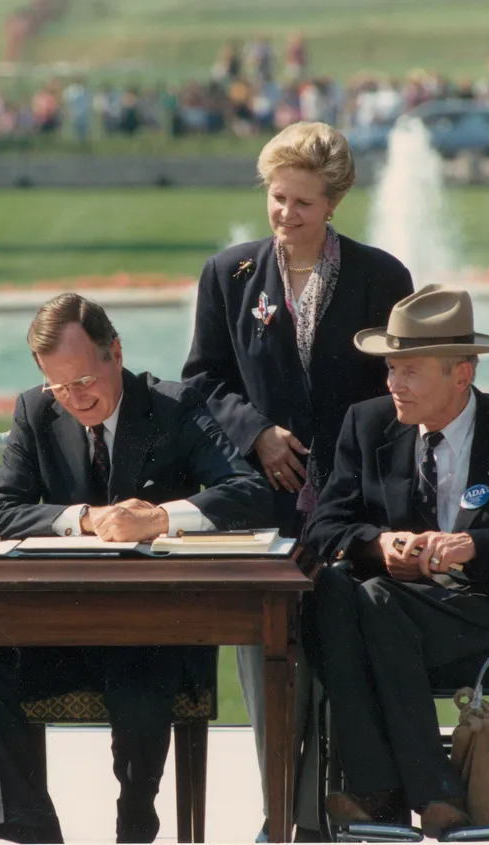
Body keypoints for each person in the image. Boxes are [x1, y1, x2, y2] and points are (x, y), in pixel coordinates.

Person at [0, 293, 272, 844]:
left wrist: (162, 519)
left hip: (156, 636)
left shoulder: (175, 406)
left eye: (83, 381)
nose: (74, 399)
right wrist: (84, 518)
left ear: (114, 353)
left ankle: (135, 818)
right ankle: (30, 830)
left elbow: (248, 491)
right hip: (59, 633)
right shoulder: (35, 411)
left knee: (140, 668)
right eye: (59, 385)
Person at [181, 120, 412, 840]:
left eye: (302, 203)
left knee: (342, 649)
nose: (285, 215)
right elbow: (201, 380)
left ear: (334, 201)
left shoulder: (382, 277)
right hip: (263, 505)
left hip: (355, 503)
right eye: (277, 199)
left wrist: (348, 457)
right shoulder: (230, 274)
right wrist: (256, 432)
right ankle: (284, 815)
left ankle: (343, 813)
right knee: (268, 663)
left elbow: (397, 390)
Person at [302, 284, 489, 839]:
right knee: (334, 592)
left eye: (410, 371)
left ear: (462, 374)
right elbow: (322, 528)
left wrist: (477, 544)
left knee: (369, 599)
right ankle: (427, 792)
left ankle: (380, 791)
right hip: (382, 614)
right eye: (390, 368)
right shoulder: (367, 425)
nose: (393, 384)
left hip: (483, 618)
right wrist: (377, 544)